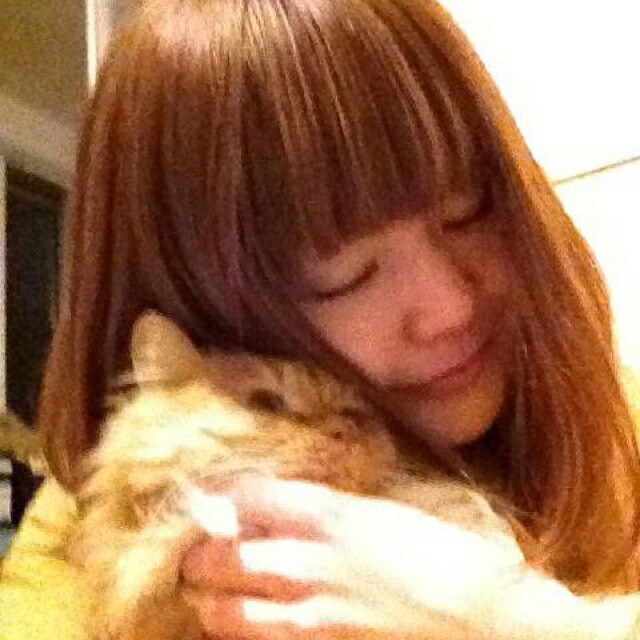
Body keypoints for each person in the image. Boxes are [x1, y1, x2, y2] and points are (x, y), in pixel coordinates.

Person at [2, 0, 639, 637]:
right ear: (201, 309)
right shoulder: (107, 539)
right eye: (345, 275)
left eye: (468, 211)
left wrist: (505, 616)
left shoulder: (611, 420)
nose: (452, 307)